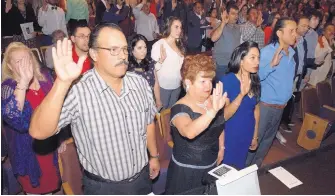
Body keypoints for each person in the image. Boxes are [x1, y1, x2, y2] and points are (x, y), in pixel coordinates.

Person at [29, 23, 160, 194]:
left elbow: (148, 123)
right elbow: (38, 131)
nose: (122, 56)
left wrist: (155, 156)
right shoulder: (79, 91)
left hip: (142, 180)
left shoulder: (139, 83)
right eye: (113, 49)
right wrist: (62, 82)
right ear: (94, 54)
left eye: (124, 49)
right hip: (103, 187)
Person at [1, 42, 60, 194]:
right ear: (10, 66)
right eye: (18, 61)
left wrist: (60, 138)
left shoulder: (45, 76)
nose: (24, 64)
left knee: (52, 187)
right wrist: (23, 83)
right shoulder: (8, 87)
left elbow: (57, 109)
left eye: (26, 58)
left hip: (49, 145)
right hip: (28, 152)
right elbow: (14, 118)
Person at [165, 54, 227, 194]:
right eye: (203, 81)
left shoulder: (213, 101)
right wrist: (212, 111)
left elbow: (220, 125)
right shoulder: (179, 108)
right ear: (188, 82)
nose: (209, 86)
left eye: (210, 80)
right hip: (187, 173)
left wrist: (221, 147)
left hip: (211, 165)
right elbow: (189, 132)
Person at [246, 18, 297, 167]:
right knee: (255, 140)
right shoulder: (267, 52)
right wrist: (271, 65)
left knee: (267, 141)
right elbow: (254, 78)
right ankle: (243, 172)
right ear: (280, 33)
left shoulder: (292, 53)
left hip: (280, 107)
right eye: (291, 31)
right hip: (265, 106)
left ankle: (255, 169)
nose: (296, 34)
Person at [219, 41, 261, 169]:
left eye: (258, 58)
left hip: (247, 132)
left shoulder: (255, 80)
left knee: (239, 168)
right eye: (252, 58)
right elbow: (224, 116)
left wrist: (255, 135)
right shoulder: (227, 81)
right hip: (230, 134)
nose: (257, 62)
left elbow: (256, 109)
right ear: (241, 60)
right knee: (225, 171)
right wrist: (241, 95)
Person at [151, 16, 185, 109]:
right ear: (169, 27)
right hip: (164, 86)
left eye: (180, 27)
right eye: (176, 27)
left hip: (177, 85)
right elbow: (152, 69)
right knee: (162, 114)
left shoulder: (179, 43)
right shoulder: (159, 44)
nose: (179, 30)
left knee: (171, 112)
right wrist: (160, 61)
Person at [128, 34, 163, 109]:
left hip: (150, 102)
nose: (143, 51)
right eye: (139, 48)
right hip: (135, 106)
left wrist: (158, 100)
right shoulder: (127, 69)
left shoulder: (150, 63)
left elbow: (156, 83)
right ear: (132, 50)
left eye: (145, 47)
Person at [211, 4, 240, 78]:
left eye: (237, 14)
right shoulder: (220, 24)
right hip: (221, 64)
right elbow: (213, 38)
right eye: (233, 14)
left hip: (233, 63)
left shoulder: (237, 27)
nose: (236, 16)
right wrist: (223, 23)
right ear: (227, 14)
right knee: (221, 87)